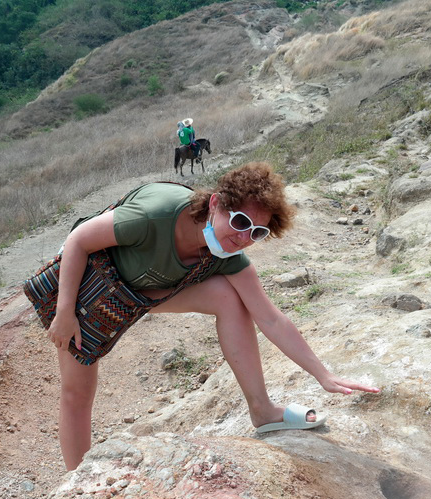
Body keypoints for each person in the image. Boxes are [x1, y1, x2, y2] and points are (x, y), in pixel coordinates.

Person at [48, 162, 379, 469]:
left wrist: (323, 375)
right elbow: (78, 240)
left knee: (229, 297)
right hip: (87, 290)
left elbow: (271, 318)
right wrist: (64, 313)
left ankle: (263, 411)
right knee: (77, 393)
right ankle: (77, 482)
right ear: (216, 204)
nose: (243, 237)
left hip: (141, 293)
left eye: (257, 232)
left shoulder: (227, 254)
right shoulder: (156, 215)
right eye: (240, 222)